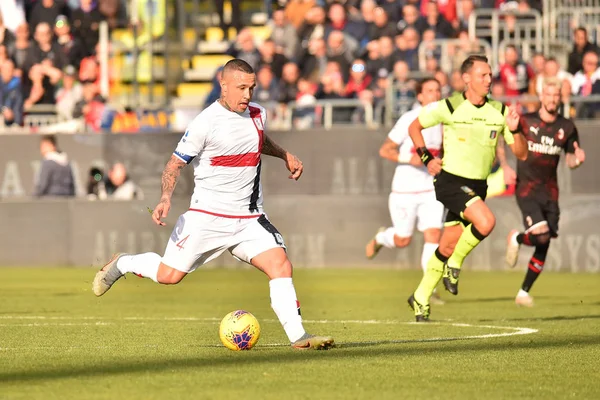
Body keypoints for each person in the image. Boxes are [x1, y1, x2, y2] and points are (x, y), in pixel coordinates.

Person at [92, 59, 334, 351]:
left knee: (280, 265)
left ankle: (299, 338)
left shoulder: (258, 114)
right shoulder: (205, 122)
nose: (248, 95)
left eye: (252, 87)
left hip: (249, 218)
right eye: (241, 88)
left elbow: (258, 140)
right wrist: (166, 197)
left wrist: (284, 155)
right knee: (169, 276)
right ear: (224, 85)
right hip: (206, 217)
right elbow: (174, 164)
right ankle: (122, 263)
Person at [406, 55, 528, 322]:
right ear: (467, 79)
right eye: (483, 75)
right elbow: (414, 126)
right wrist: (426, 157)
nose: (488, 80)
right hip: (450, 180)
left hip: (477, 187)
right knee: (486, 222)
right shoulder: (450, 106)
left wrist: (516, 131)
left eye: (490, 75)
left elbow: (522, 154)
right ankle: (455, 265)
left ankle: (420, 297)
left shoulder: (500, 110)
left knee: (448, 246)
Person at [505, 79, 586, 307]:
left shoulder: (567, 127)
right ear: (541, 96)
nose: (552, 99)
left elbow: (570, 159)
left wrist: (577, 160)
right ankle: (517, 237)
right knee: (540, 235)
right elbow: (504, 139)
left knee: (544, 242)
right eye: (549, 95)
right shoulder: (526, 120)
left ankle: (523, 292)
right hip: (527, 188)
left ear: (560, 98)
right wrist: (504, 166)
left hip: (550, 193)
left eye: (556, 96)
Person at [365, 78, 445, 305]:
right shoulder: (410, 119)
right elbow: (385, 150)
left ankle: (429, 288)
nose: (435, 94)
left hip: (431, 188)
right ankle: (382, 237)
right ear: (420, 96)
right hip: (405, 189)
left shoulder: (444, 120)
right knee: (403, 240)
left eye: (438, 90)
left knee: (433, 235)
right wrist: (409, 158)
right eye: (429, 90)